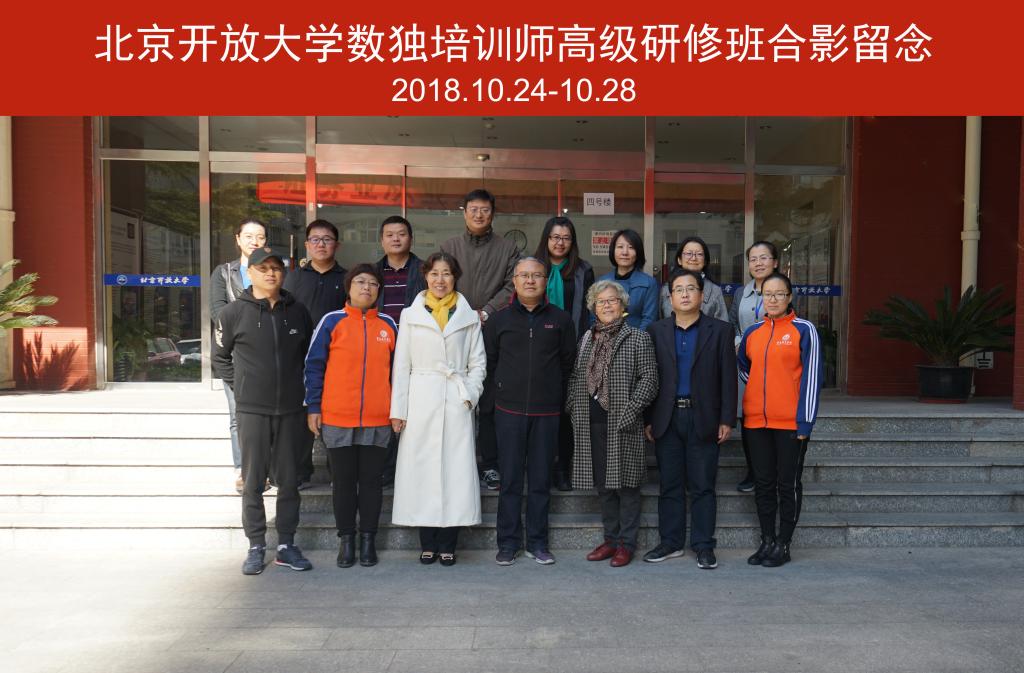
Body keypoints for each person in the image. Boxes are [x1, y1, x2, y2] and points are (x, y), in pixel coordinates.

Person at [212, 246, 314, 575]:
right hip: (252, 411)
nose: (271, 273)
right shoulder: (232, 313)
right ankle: (256, 545)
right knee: (253, 481)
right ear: (250, 273)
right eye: (263, 268)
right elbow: (220, 358)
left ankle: (286, 545)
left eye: (276, 268)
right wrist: (242, 388)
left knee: (290, 481)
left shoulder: (297, 311)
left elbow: (308, 357)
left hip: (291, 411)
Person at [389, 252, 486, 566]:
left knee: (455, 473)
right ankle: (427, 541)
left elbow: (478, 363)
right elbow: (401, 366)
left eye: (446, 273)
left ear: (455, 277)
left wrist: (469, 395)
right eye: (434, 273)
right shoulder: (410, 315)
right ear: (425, 276)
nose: (440, 280)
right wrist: (399, 409)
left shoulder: (468, 316)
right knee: (422, 471)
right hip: (420, 400)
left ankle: (449, 543)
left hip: (456, 398)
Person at [643, 269, 737, 570]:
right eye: (678, 290)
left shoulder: (720, 330)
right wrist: (648, 418)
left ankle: (703, 545)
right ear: (670, 298)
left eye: (691, 289)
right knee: (669, 484)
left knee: (703, 485)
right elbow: (649, 378)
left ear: (702, 295)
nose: (684, 294)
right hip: (667, 417)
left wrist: (727, 418)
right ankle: (670, 542)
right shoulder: (656, 331)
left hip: (704, 417)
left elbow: (728, 378)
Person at [304, 264, 397, 569]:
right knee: (343, 482)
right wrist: (313, 407)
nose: (366, 288)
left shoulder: (388, 325)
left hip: (378, 418)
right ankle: (346, 539)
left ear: (379, 290)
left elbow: (399, 373)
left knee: (371, 482)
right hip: (337, 416)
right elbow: (313, 366)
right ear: (349, 287)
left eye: (373, 283)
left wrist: (397, 410)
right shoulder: (332, 321)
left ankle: (368, 539)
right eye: (360, 282)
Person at [485, 258, 576, 566]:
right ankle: (508, 542)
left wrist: (557, 398)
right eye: (524, 275)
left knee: (539, 481)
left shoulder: (561, 320)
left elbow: (567, 363)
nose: (530, 280)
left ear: (545, 281)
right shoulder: (499, 320)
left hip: (547, 413)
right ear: (514, 280)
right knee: (510, 480)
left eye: (536, 275)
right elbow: (490, 363)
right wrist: (495, 400)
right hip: (508, 411)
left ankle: (537, 542)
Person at [567, 280, 658, 567]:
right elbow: (575, 376)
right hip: (590, 421)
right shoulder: (587, 338)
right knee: (604, 486)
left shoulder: (637, 337)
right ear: (593, 307)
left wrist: (632, 411)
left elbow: (650, 379)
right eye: (601, 301)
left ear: (622, 305)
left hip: (624, 421)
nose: (607, 305)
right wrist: (573, 407)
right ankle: (610, 540)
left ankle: (626, 545)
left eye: (612, 300)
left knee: (627, 486)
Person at [737, 271, 822, 568]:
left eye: (779, 294)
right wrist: (758, 392)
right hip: (755, 423)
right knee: (763, 484)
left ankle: (784, 543)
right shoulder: (753, 332)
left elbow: (812, 378)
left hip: (790, 424)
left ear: (789, 297)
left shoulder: (804, 330)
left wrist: (805, 422)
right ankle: (767, 540)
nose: (772, 299)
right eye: (767, 294)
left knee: (787, 484)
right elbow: (744, 368)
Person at [441, 189, 520, 491]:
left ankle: (489, 464)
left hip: (494, 327)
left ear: (493, 214)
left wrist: (486, 311)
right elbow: (441, 281)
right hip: (454, 329)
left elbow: (511, 285)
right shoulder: (449, 246)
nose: (478, 214)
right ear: (464, 212)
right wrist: (462, 313)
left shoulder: (508, 248)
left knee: (488, 400)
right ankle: (454, 463)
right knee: (453, 396)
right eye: (473, 209)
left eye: (484, 210)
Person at [283, 219, 348, 489]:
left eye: (327, 239)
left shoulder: (347, 278)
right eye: (315, 240)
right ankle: (300, 472)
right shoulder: (294, 278)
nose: (321, 244)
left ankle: (338, 473)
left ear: (337, 245)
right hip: (300, 357)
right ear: (307, 244)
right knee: (301, 416)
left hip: (336, 359)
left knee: (334, 416)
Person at [534, 216, 594, 491]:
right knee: (539, 410)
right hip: (537, 348)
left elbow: (588, 311)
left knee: (566, 412)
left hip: (572, 347)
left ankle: (562, 468)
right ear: (546, 239)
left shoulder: (583, 269)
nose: (560, 242)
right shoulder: (534, 266)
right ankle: (540, 467)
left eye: (566, 238)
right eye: (555, 237)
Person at [210, 218, 267, 495]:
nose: (254, 241)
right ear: (238, 239)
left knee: (268, 416)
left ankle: (264, 469)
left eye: (260, 237)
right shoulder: (224, 272)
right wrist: (248, 329)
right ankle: (244, 470)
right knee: (239, 415)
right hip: (235, 355)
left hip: (268, 355)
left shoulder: (273, 270)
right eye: (249, 236)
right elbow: (217, 312)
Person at [374, 215, 426, 488]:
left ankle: (410, 466)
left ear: (411, 239)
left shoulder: (425, 271)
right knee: (384, 408)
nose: (396, 239)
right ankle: (385, 467)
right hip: (379, 349)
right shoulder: (372, 273)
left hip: (416, 350)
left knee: (413, 409)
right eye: (390, 234)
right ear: (381, 240)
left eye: (401, 234)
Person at [728, 241, 781, 494]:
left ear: (775, 262)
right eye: (753, 259)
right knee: (749, 420)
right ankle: (754, 471)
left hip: (776, 366)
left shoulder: (783, 289)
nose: (758, 263)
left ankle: (775, 472)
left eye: (764, 258)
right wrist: (739, 343)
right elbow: (732, 324)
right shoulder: (741, 293)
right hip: (745, 366)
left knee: (774, 419)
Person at [596, 229, 658, 330]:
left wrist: (636, 338)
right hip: (606, 337)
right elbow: (594, 317)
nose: (625, 252)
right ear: (613, 250)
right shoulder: (601, 282)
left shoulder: (649, 283)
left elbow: (649, 319)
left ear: (638, 252)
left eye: (631, 247)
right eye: (620, 247)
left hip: (637, 338)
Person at [658, 236, 728, 321]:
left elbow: (723, 325)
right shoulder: (666, 289)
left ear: (705, 261)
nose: (694, 258)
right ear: (679, 260)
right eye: (688, 253)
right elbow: (659, 323)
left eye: (699, 254)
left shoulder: (715, 290)